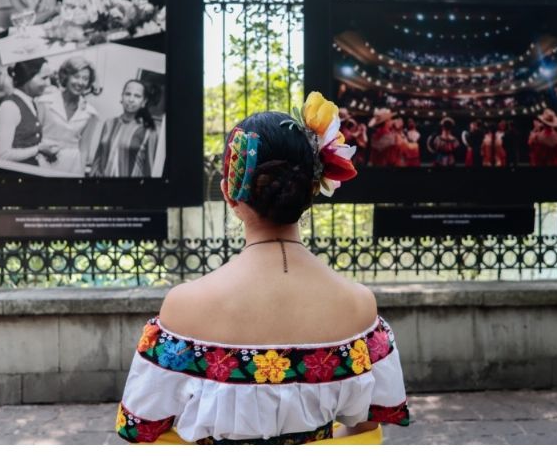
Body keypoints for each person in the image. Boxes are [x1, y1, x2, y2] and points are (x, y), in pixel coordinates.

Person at [115, 94, 409, 444]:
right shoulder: (359, 305)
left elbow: (140, 428)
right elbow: (369, 425)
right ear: (314, 189)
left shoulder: (184, 307)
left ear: (229, 194)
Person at [36, 56, 101, 176]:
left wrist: (79, 176)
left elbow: (84, 149)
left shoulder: (90, 113)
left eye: (85, 78)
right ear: (66, 77)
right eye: (76, 77)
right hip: (41, 161)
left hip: (71, 167)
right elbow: (33, 137)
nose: (80, 82)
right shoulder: (44, 102)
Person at [0, 58, 61, 167]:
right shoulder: (10, 107)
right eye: (44, 78)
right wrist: (38, 149)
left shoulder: (31, 102)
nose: (48, 83)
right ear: (27, 78)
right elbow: (1, 155)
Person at [91, 79, 159, 177]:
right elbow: (98, 155)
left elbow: (149, 167)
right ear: (122, 97)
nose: (131, 99)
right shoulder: (108, 123)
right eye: (127, 94)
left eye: (137, 96)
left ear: (144, 102)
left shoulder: (149, 130)